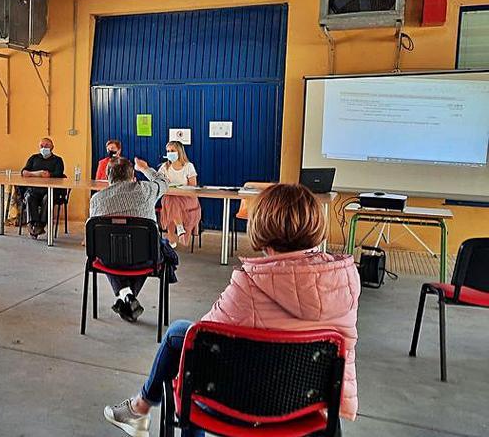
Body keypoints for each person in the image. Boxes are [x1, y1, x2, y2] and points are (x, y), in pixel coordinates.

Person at [103, 184, 360, 437]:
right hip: (313, 411)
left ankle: (141, 406)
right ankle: (140, 406)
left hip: (237, 408)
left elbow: (202, 338)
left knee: (181, 335)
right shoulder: (345, 280)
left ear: (261, 225)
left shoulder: (248, 283)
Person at [89, 157, 178, 322]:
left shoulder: (96, 199)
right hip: (145, 259)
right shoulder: (145, 190)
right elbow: (163, 181)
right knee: (147, 248)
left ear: (108, 176)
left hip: (108, 259)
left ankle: (126, 296)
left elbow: (96, 238)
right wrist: (144, 168)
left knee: (111, 250)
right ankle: (128, 299)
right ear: (132, 176)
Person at [157, 140, 202, 248]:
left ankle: (172, 239)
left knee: (170, 202)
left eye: (172, 150)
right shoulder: (164, 167)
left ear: (179, 152)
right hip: (171, 198)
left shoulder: (188, 166)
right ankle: (179, 228)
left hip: (187, 199)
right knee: (170, 200)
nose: (169, 153)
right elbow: (158, 181)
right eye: (168, 151)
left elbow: (193, 187)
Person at [20, 137, 65, 238]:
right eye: (42, 146)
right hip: (34, 190)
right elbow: (24, 172)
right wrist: (38, 174)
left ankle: (40, 225)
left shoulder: (58, 160)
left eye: (47, 146)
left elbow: (59, 174)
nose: (44, 148)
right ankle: (33, 224)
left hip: (50, 190)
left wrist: (49, 175)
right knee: (29, 197)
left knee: (47, 199)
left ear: (52, 147)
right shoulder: (33, 158)